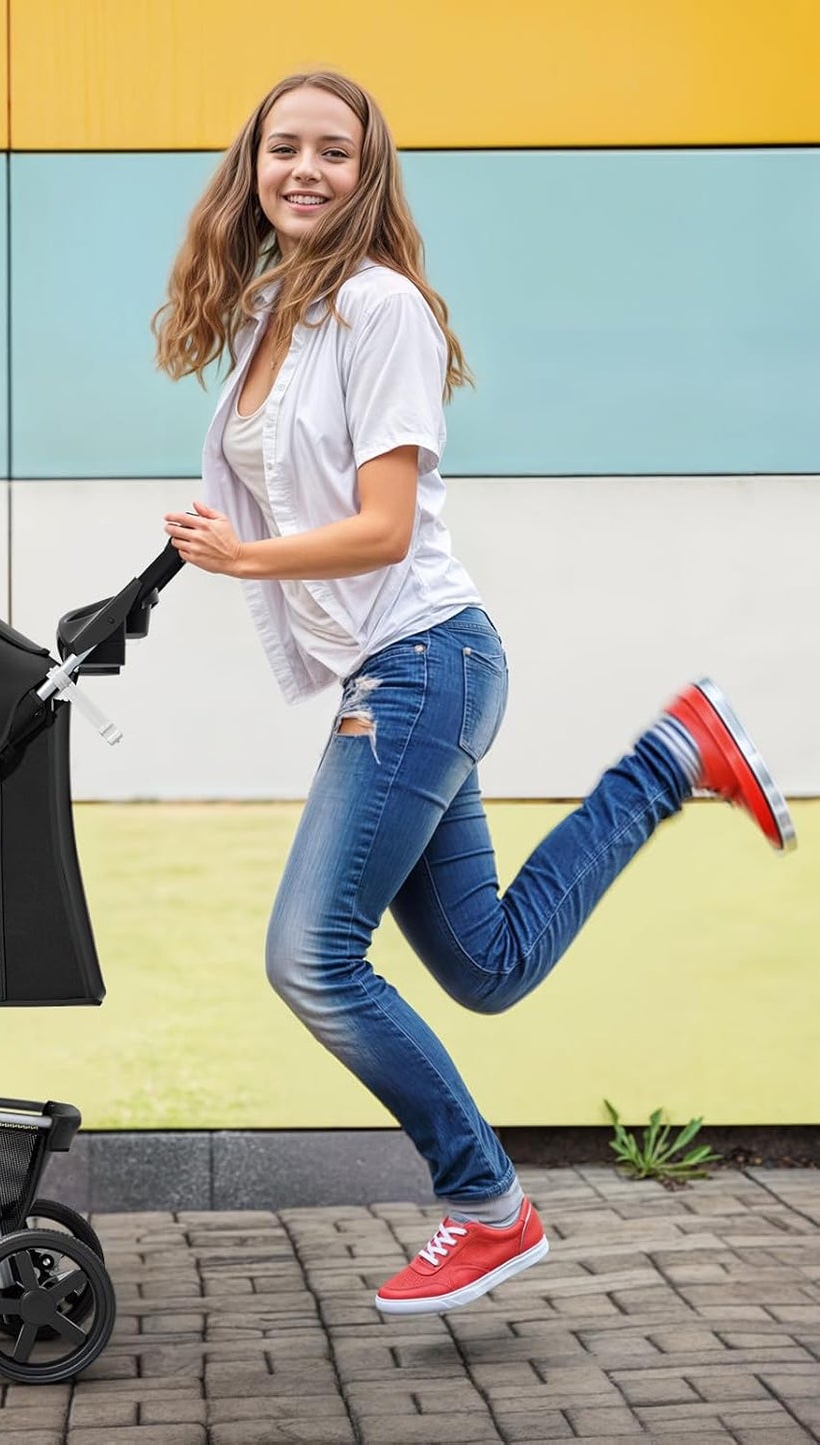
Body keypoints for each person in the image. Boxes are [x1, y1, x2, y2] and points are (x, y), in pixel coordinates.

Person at [154, 70, 796, 1317]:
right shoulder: (268, 310)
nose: (304, 169)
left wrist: (245, 555)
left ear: (366, 174)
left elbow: (384, 526)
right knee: (488, 966)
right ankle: (674, 754)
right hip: (403, 665)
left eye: (332, 152)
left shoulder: (378, 307)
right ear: (248, 167)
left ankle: (486, 1202)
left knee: (311, 957)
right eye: (282, 147)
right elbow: (278, 487)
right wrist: (205, 539)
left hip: (421, 659)